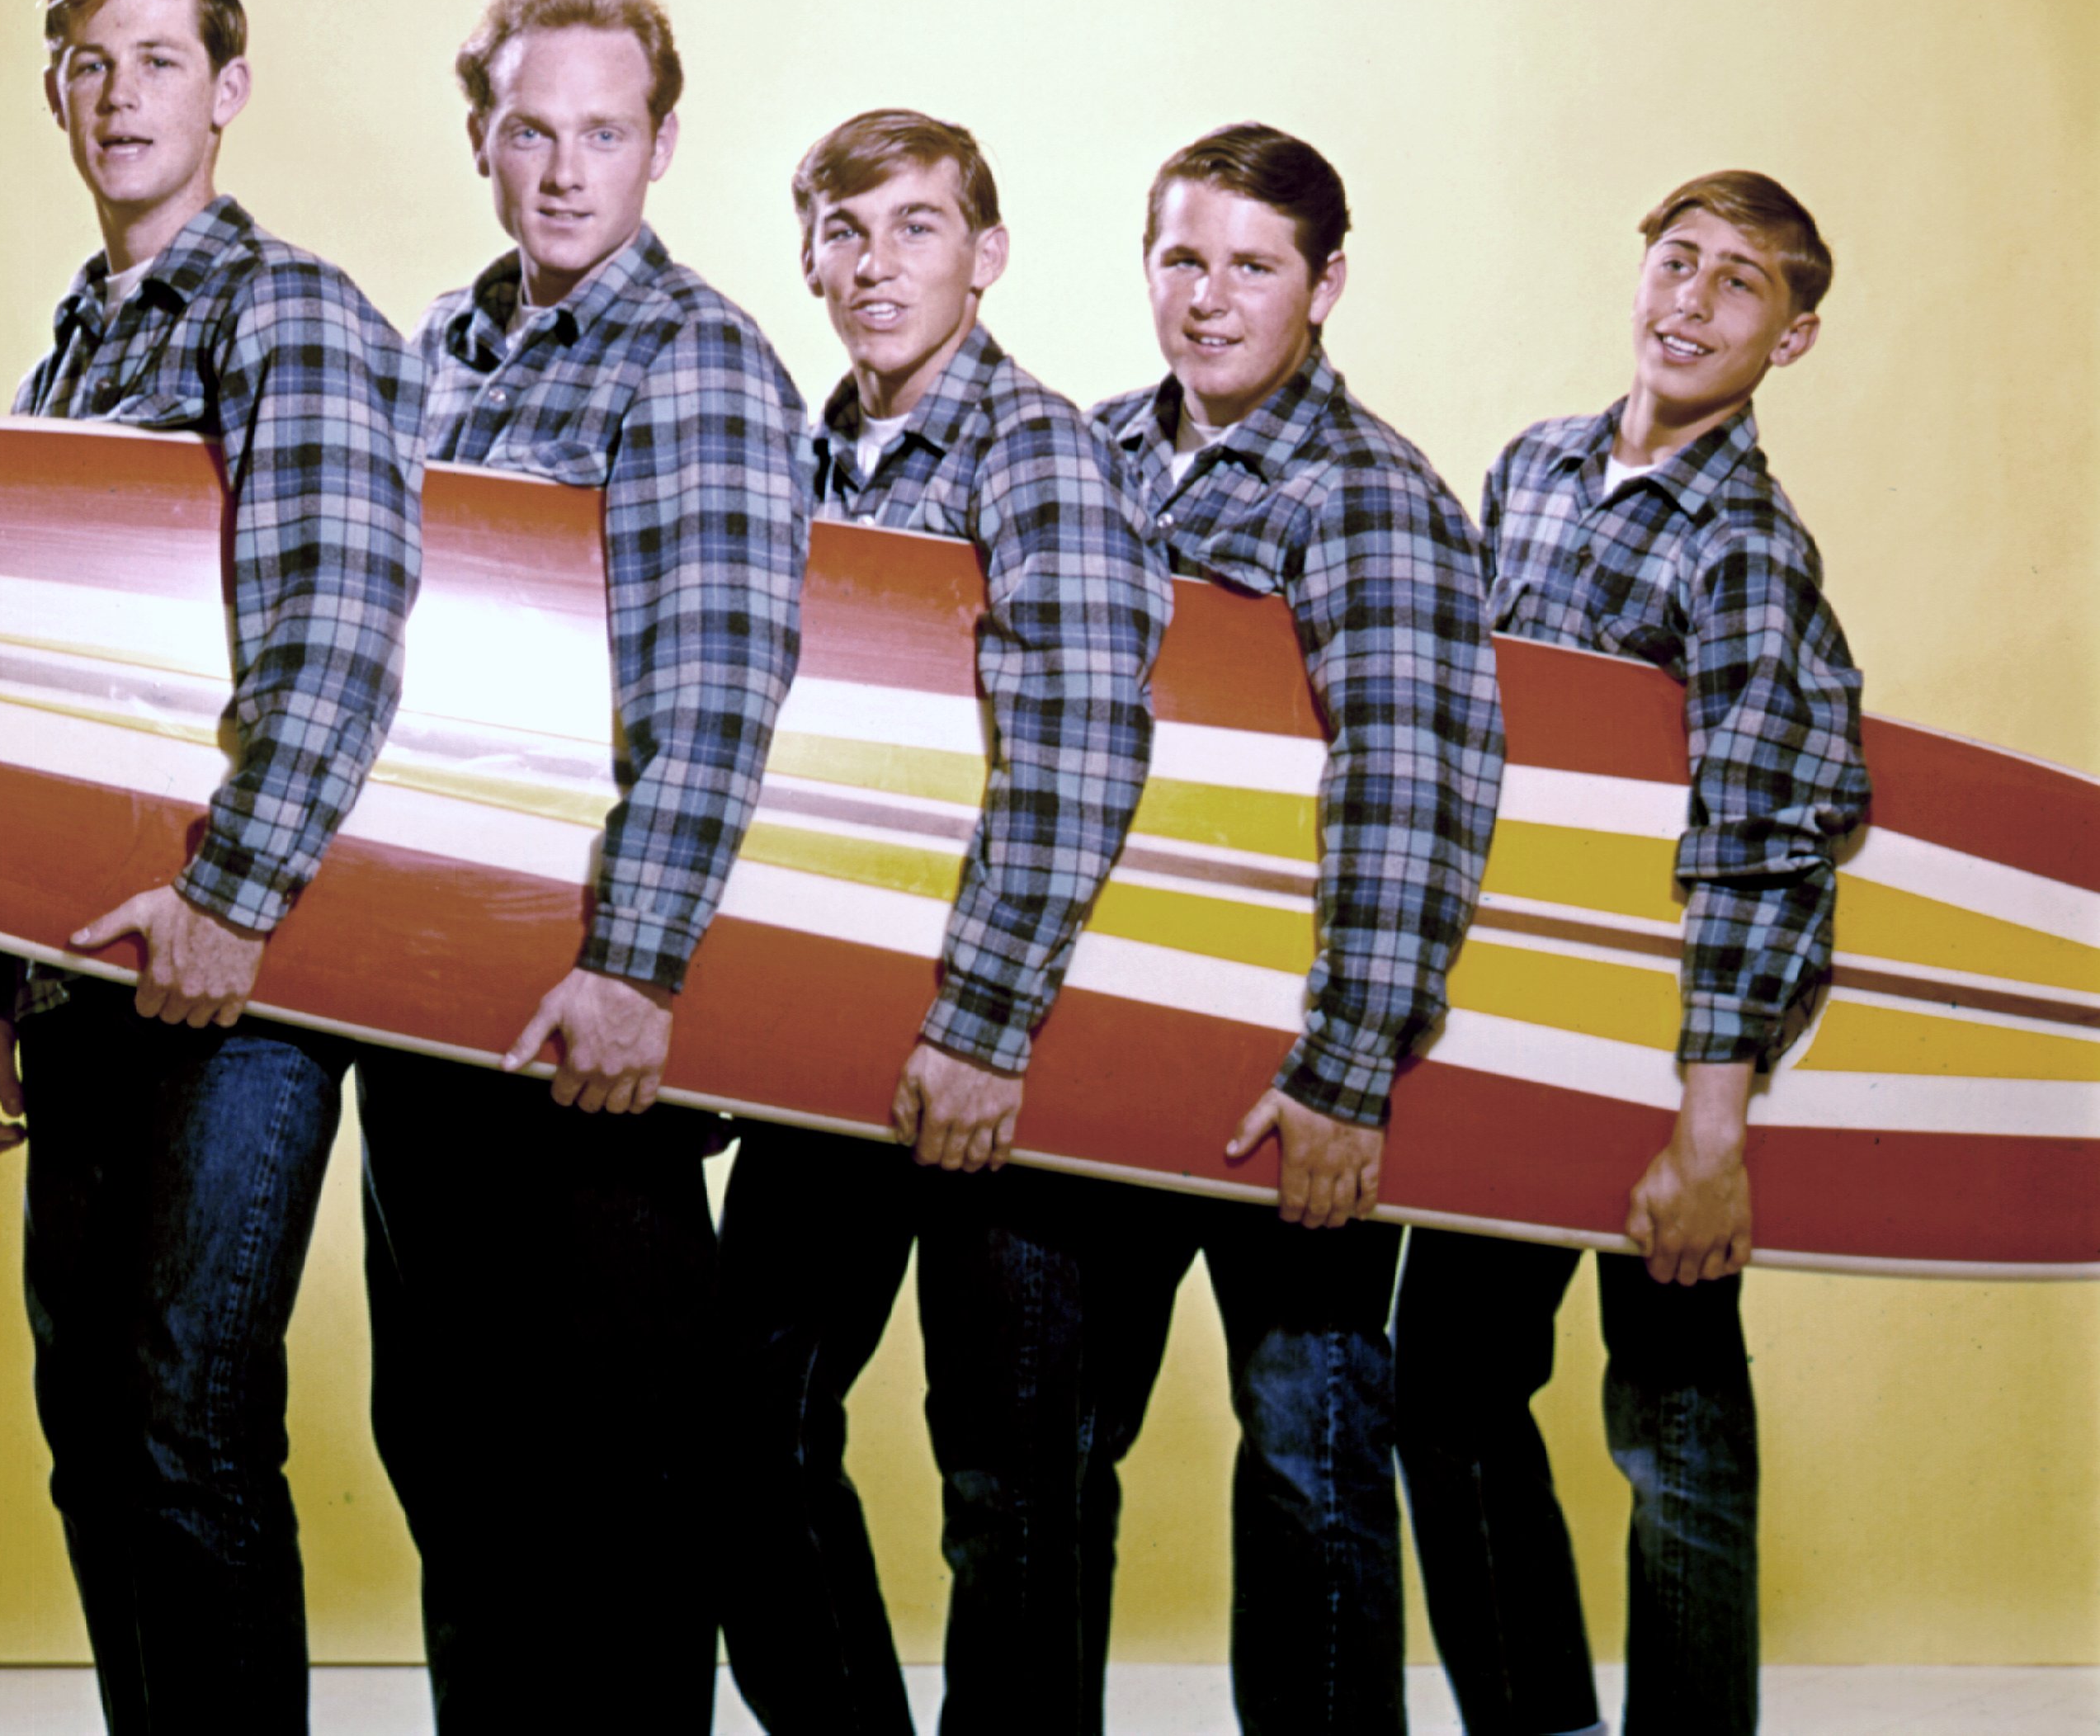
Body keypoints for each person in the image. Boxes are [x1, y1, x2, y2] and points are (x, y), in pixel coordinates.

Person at [0, 0, 426, 1734]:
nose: (120, 90)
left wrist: (231, 903)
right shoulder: (60, 368)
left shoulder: (284, 314)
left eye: (159, 58)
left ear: (225, 92)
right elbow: (10, 716)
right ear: (56, 95)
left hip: (241, 978)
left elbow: (342, 624)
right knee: (92, 1431)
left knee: (185, 1421)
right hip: (75, 977)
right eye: (88, 59)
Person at [356, 0, 809, 1731]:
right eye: (532, 130)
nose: (564, 170)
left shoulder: (692, 356)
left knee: (615, 1494)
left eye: (603, 133)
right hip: (423, 1011)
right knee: (455, 1470)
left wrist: (637, 967)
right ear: (482, 138)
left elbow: (716, 685)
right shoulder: (429, 356)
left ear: (663, 146)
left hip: (587, 1016)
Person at [1394, 171, 1870, 1736]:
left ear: (1788, 340)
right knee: (1450, 1386)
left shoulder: (1746, 547)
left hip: (1672, 1044)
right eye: (1678, 262)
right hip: (1517, 1030)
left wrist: (1710, 1127)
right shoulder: (1531, 467)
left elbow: (1763, 837)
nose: (1690, 301)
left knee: (1674, 1424)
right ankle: (1537, 1718)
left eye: (1740, 285)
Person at [718, 111, 1170, 1735]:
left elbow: (1081, 744)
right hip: (831, 1055)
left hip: (1006, 1055)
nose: (873, 265)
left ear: (983, 255)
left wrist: (982, 1034)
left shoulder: (1037, 452)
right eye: (845, 233)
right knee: (737, 1423)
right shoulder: (795, 461)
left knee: (1010, 1484)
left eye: (914, 228)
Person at [1084, 123, 1504, 1736]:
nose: (1207, 299)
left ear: (1323, 286)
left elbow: (1415, 791)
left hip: (1287, 1078)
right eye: (1183, 259)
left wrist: (1346, 1074)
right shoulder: (1092, 452)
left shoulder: (1371, 496)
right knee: (1053, 1450)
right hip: (1104, 1058)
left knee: (1314, 1459)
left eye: (1251, 266)